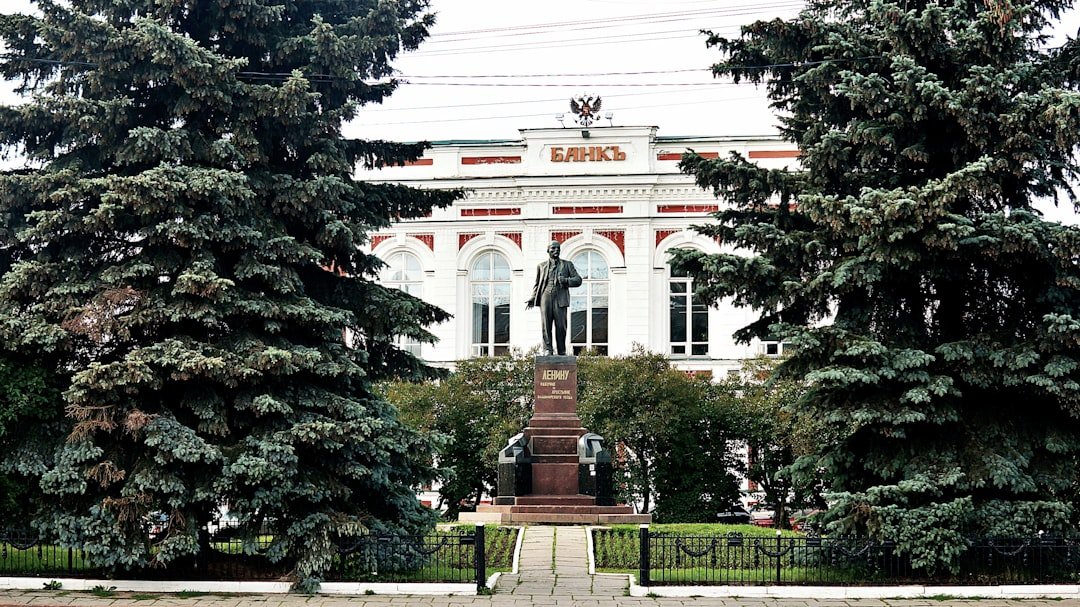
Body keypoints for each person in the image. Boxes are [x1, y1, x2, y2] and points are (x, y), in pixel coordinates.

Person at [526, 240, 582, 356]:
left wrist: (566, 281)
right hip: (545, 296)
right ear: (548, 250)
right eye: (553, 248)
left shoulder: (567, 265)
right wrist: (532, 297)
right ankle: (548, 349)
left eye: (558, 248)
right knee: (546, 325)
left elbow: (578, 280)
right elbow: (537, 284)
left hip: (560, 297)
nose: (556, 250)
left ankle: (561, 350)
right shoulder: (541, 266)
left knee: (561, 325)